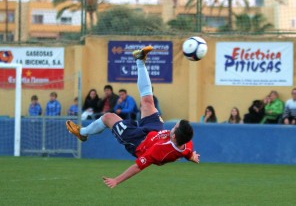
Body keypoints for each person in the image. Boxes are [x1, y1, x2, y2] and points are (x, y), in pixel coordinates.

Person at [66, 46, 200, 188]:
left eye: (174, 128)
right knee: (148, 102)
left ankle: (82, 133)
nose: (173, 126)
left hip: (139, 142)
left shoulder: (158, 152)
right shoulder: (186, 143)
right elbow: (186, 151)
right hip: (154, 131)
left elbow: (137, 167)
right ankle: (140, 61)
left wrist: (116, 180)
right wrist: (192, 157)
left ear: (173, 137)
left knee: (108, 117)